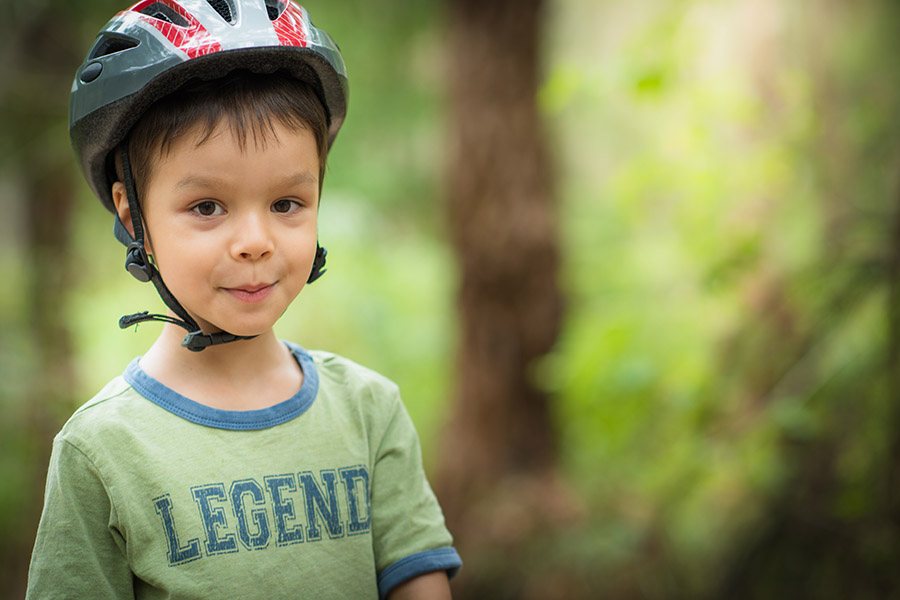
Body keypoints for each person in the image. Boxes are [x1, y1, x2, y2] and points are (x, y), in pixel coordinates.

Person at [26, 1, 461, 598]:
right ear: (134, 216)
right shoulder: (102, 451)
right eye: (207, 207)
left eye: (286, 204)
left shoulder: (368, 413)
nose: (255, 243)